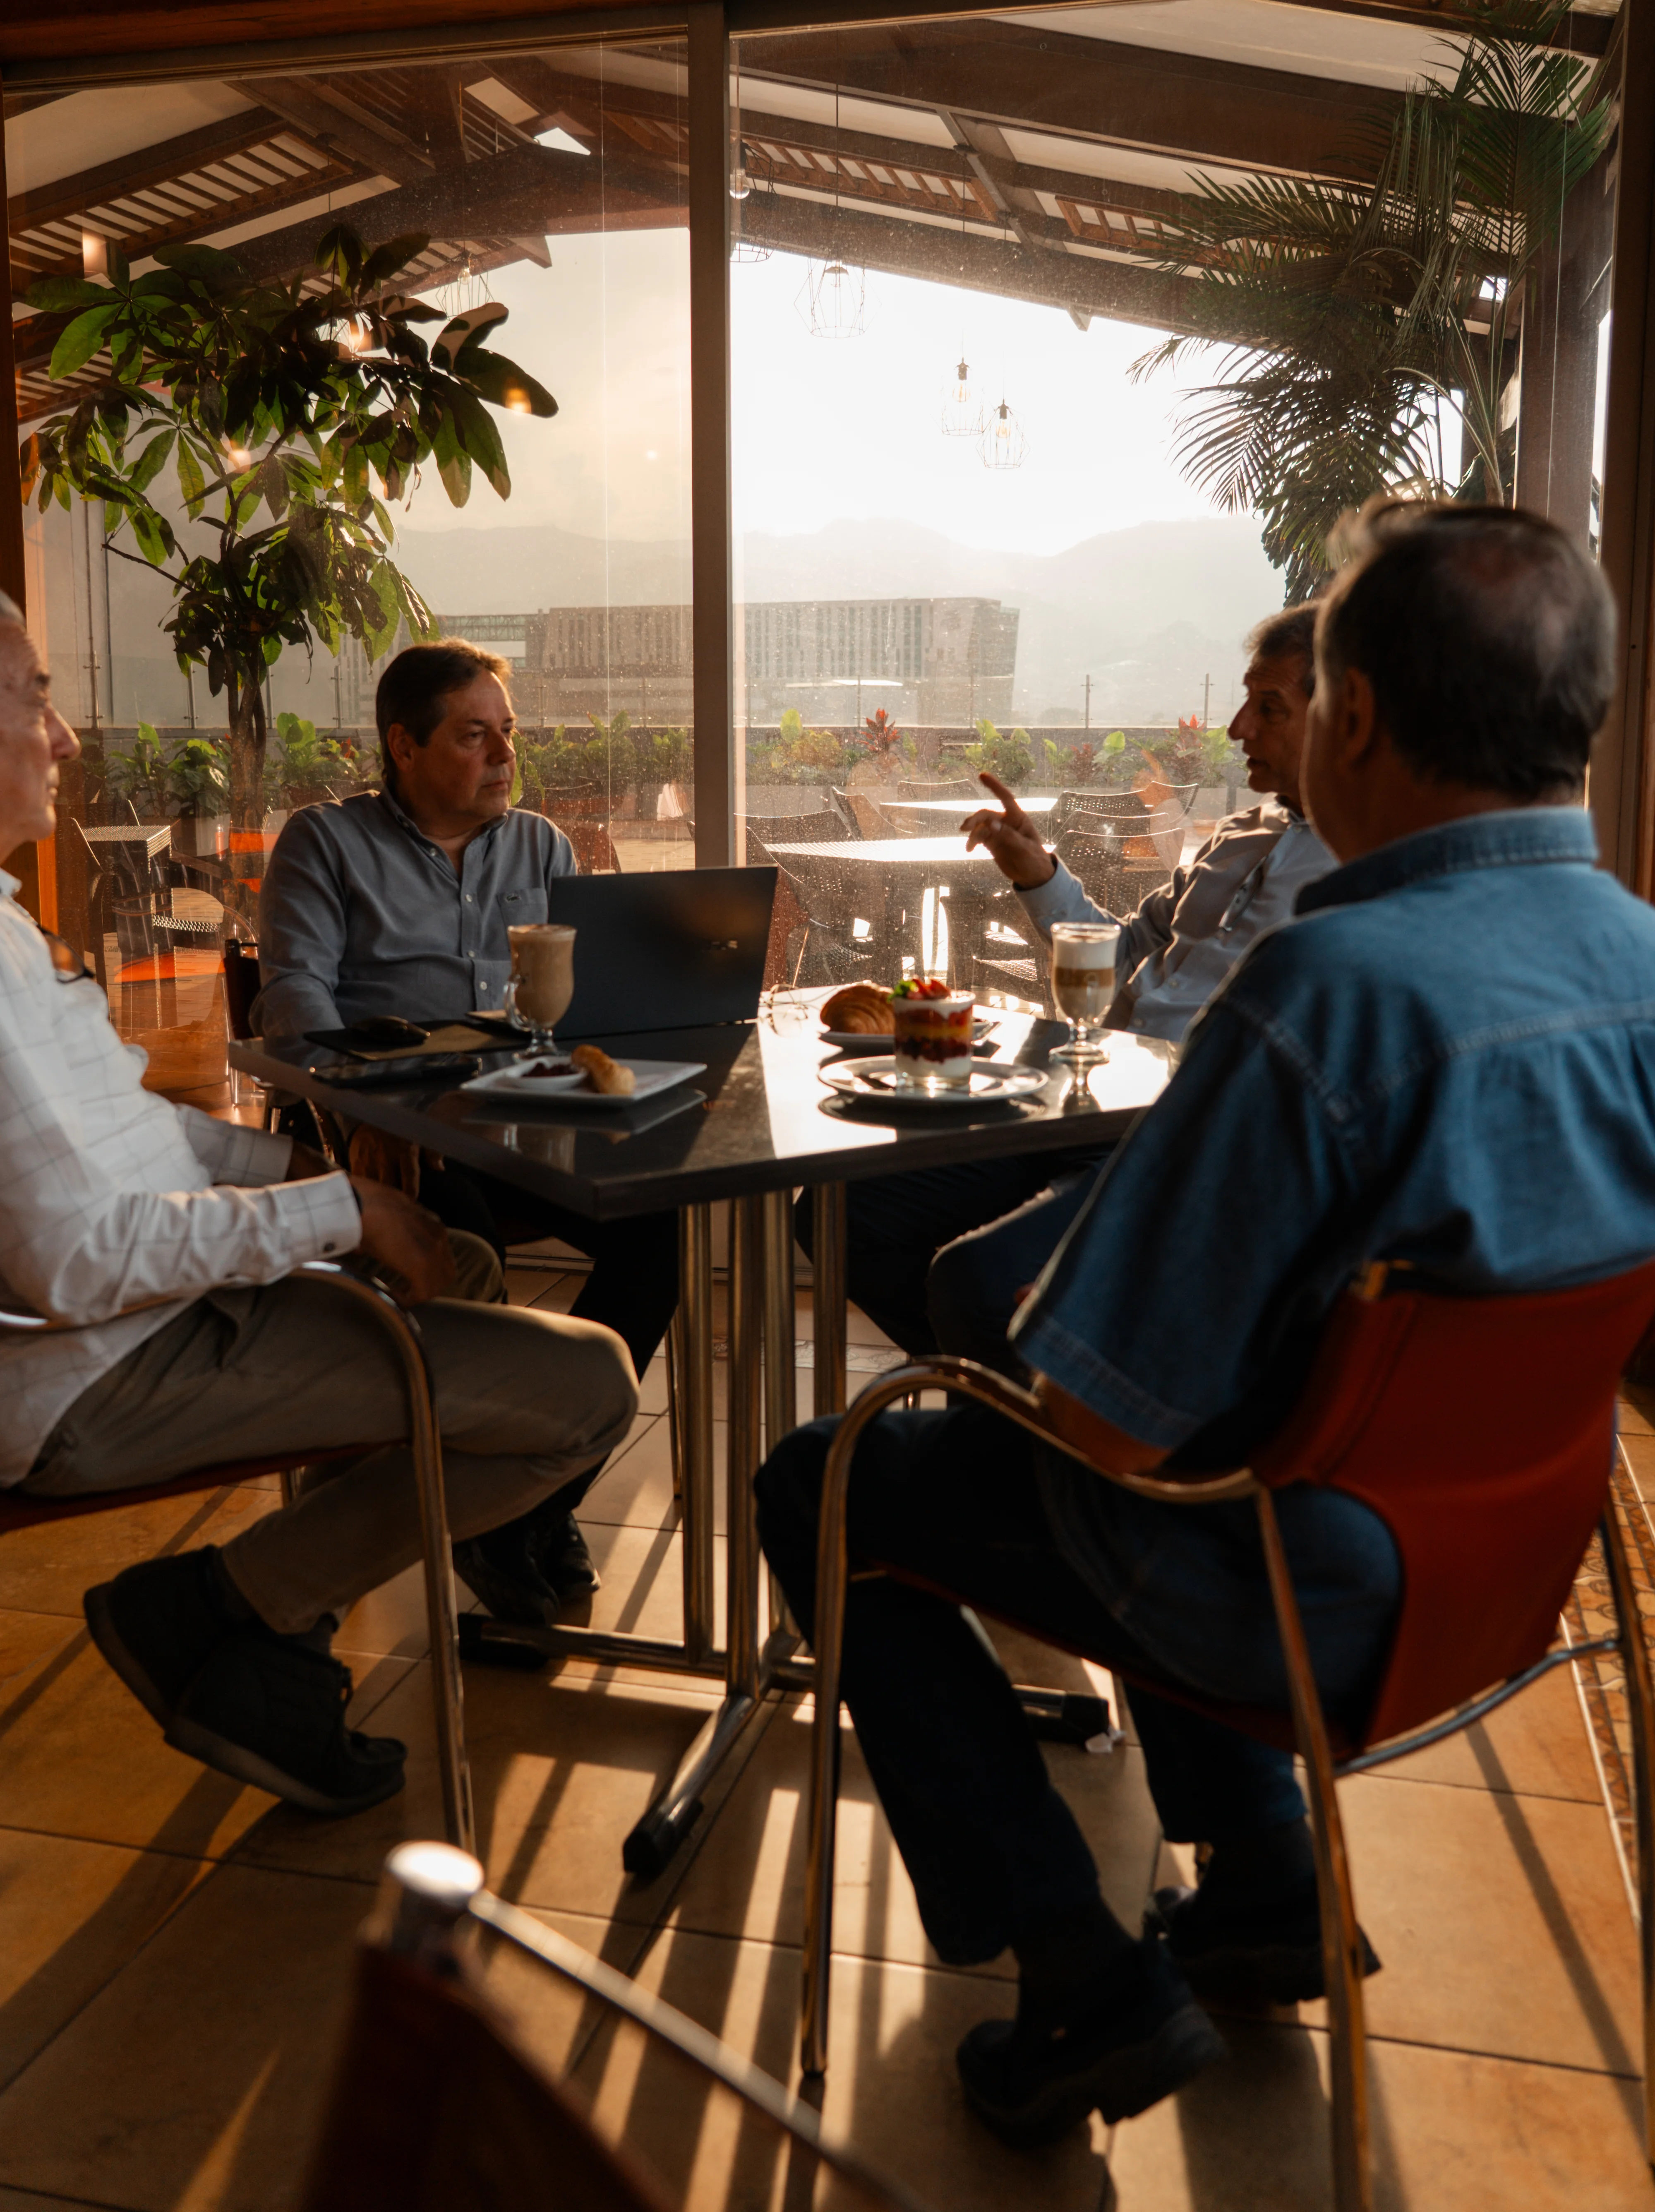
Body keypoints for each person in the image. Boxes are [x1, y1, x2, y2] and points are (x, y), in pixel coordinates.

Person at [757, 502, 1655, 2146]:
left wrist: (996, 1310)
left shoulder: (1330, 993)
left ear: (1360, 718)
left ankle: (1079, 1976)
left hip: (1290, 1600)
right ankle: (1258, 1889)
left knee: (826, 1479)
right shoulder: (1645, 965)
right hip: (1506, 1586)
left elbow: (1102, 1425)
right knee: (1212, 1415)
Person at [0, 593, 635, 1816]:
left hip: (152, 1321)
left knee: (464, 1265)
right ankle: (225, 1610)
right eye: (36, 694)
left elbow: (132, 1138)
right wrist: (339, 1204)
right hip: (95, 1371)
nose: (70, 738)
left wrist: (291, 1181)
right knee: (588, 1387)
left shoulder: (12, 927)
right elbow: (72, 1260)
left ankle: (277, 1637)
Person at [255, 638, 679, 1627]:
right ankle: (489, 1500)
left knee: (656, 1236)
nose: (503, 758)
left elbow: (581, 1010)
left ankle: (524, 1508)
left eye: (508, 735)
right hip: (396, 1132)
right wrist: (357, 1113)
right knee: (465, 1248)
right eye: (474, 736)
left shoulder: (539, 846)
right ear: (403, 745)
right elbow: (293, 1002)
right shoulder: (324, 842)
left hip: (525, 1121)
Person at [800, 604, 1333, 1369]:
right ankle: (1021, 1407)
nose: (1238, 727)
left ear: (1351, 718)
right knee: (837, 1212)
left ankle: (1029, 1419)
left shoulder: (1377, 875)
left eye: (1269, 707)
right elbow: (1118, 959)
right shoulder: (1234, 838)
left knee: (975, 1282)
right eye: (1246, 700)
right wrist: (1038, 875)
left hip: (1183, 1147)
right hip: (1083, 1106)